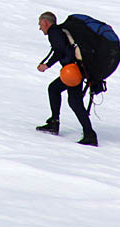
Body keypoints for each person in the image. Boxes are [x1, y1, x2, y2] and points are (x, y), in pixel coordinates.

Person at [36, 11, 98, 146]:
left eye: (40, 24)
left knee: (74, 102)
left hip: (73, 71)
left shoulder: (54, 33)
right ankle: (54, 122)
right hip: (75, 71)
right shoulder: (60, 32)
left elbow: (59, 51)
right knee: (54, 89)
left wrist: (46, 65)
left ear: (46, 23)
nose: (40, 28)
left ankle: (89, 134)